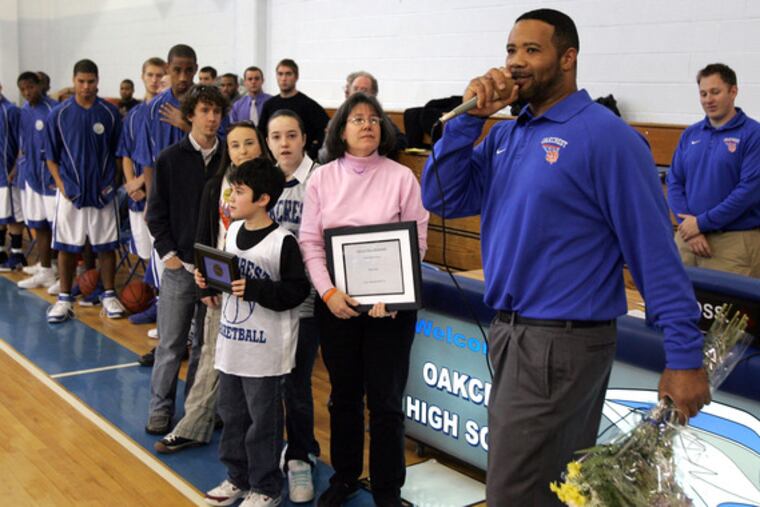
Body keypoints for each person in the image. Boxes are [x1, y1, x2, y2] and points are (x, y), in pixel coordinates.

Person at [420, 9, 711, 506]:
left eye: (532, 50)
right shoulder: (507, 136)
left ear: (568, 58)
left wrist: (684, 357)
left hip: (561, 341)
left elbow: (653, 252)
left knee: (513, 492)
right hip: (512, 334)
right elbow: (443, 197)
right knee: (551, 489)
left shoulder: (607, 137)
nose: (515, 63)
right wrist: (469, 119)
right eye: (510, 50)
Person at [299, 93, 429, 507]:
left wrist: (394, 295)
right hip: (337, 305)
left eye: (374, 118)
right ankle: (345, 477)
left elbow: (417, 240)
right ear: (341, 129)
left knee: (387, 403)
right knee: (344, 397)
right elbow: (310, 242)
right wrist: (329, 292)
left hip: (390, 311)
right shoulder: (322, 178)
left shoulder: (402, 178)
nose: (367, 124)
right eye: (357, 118)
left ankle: (389, 489)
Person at [154, 121, 271, 453]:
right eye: (235, 145)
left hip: (263, 289)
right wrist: (205, 283)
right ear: (227, 151)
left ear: (261, 146)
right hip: (222, 286)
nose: (243, 150)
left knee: (260, 371)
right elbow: (205, 238)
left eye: (250, 143)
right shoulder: (215, 186)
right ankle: (193, 423)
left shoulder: (271, 188)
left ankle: (262, 440)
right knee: (210, 353)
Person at [202, 158, 309, 507]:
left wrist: (256, 290)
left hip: (266, 352)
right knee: (232, 416)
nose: (230, 197)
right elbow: (229, 279)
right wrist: (208, 280)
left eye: (239, 191)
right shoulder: (232, 231)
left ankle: (266, 487)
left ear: (263, 199)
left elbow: (296, 292)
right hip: (231, 344)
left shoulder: (283, 242)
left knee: (263, 423)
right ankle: (238, 477)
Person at [145, 84, 228, 435]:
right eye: (204, 111)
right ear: (189, 115)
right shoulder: (169, 159)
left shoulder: (231, 157)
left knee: (206, 349)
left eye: (217, 112)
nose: (211, 118)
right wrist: (170, 256)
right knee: (171, 344)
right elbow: (155, 214)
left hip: (215, 271)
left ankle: (196, 410)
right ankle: (160, 407)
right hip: (181, 268)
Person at [44, 59, 125, 323]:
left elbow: (118, 154)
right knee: (67, 246)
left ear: (98, 81)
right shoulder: (59, 113)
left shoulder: (110, 114)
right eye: (81, 81)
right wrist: (60, 182)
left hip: (103, 191)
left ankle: (109, 295)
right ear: (74, 80)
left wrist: (112, 182)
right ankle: (64, 299)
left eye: (91, 81)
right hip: (71, 191)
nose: (86, 86)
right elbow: (51, 157)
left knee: (106, 246)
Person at [266, 109, 320, 502]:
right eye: (276, 137)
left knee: (297, 382)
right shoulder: (258, 181)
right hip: (265, 299)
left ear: (304, 139)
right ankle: (268, 452)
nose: (283, 144)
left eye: (291, 135)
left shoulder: (320, 180)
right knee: (269, 383)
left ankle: (302, 455)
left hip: (309, 300)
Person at [667, 63, 760, 278]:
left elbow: (748, 192)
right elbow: (675, 182)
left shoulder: (753, 135)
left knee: (729, 311)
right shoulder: (690, 134)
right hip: (687, 239)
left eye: (715, 92)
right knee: (678, 308)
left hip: (734, 244)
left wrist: (702, 223)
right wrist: (689, 228)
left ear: (733, 91)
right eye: (703, 93)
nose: (708, 99)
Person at [117, 58, 166, 267]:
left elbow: (167, 155)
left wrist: (142, 182)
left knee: (164, 253)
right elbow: (126, 152)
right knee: (145, 253)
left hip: (162, 193)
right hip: (137, 196)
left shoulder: (168, 111)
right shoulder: (134, 114)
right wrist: (131, 185)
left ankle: (164, 298)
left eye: (159, 76)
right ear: (142, 77)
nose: (154, 80)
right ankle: (152, 296)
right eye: (150, 75)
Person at [15, 71, 58, 289]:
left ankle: (68, 274)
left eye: (30, 87)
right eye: (23, 89)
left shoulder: (52, 109)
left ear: (39, 85)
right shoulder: (23, 111)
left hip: (51, 181)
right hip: (32, 179)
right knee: (39, 226)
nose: (27, 92)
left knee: (59, 228)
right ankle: (46, 270)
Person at [319, 70, 407, 163]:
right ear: (347, 93)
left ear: (373, 95)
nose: (359, 94)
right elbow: (324, 157)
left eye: (364, 90)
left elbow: (401, 140)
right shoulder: (337, 120)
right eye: (356, 89)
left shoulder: (381, 119)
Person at [258, 59, 329, 161]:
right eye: (280, 74)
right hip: (274, 159)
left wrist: (311, 153)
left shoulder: (309, 105)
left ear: (296, 77)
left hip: (303, 160)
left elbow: (325, 131)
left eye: (288, 74)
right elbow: (261, 133)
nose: (284, 78)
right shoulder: (269, 105)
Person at [0, 83, 23, 272]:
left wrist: (15, 168)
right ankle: (1, 251)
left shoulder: (12, 111)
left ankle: (17, 254)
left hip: (8, 173)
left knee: (14, 215)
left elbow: (22, 144)